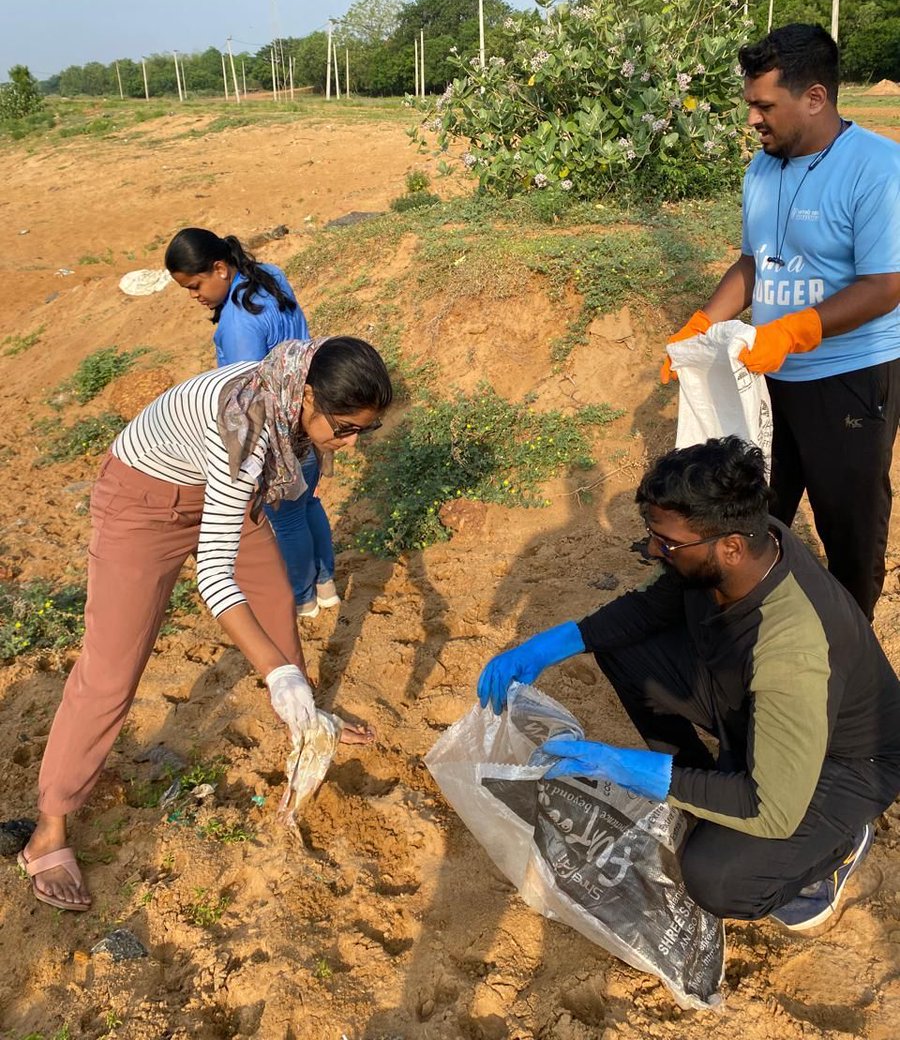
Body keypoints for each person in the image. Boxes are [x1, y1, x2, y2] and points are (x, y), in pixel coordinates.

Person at [18, 337, 392, 912]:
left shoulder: (292, 388)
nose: (349, 442)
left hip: (219, 492)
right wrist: (274, 672)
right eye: (343, 428)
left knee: (274, 607)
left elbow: (244, 506)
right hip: (143, 504)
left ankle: (306, 723)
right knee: (113, 667)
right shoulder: (248, 421)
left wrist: (283, 672)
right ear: (308, 396)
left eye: (363, 431)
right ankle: (50, 825)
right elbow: (213, 576)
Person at [477, 437, 900, 930]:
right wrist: (548, 646)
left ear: (731, 547)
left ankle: (836, 845)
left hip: (846, 762)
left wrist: (632, 768)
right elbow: (650, 607)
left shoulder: (791, 650)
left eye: (668, 543)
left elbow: (771, 808)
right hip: (755, 704)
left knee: (717, 877)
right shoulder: (748, 540)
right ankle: (702, 792)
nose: (655, 549)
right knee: (627, 649)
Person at [661, 23, 900, 622]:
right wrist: (701, 326)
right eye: (750, 105)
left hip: (850, 376)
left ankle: (851, 636)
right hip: (766, 377)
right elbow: (753, 263)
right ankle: (756, 621)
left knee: (848, 521)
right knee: (754, 509)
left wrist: (795, 331)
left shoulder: (878, 169)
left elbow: (886, 284)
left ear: (814, 98)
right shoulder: (763, 170)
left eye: (764, 106)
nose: (752, 120)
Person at [166, 227, 337, 619]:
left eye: (195, 285)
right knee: (309, 501)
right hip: (309, 409)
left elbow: (248, 397)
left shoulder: (237, 325)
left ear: (220, 269)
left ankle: (302, 597)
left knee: (287, 518)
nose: (194, 296)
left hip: (277, 431)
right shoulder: (271, 275)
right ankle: (326, 584)